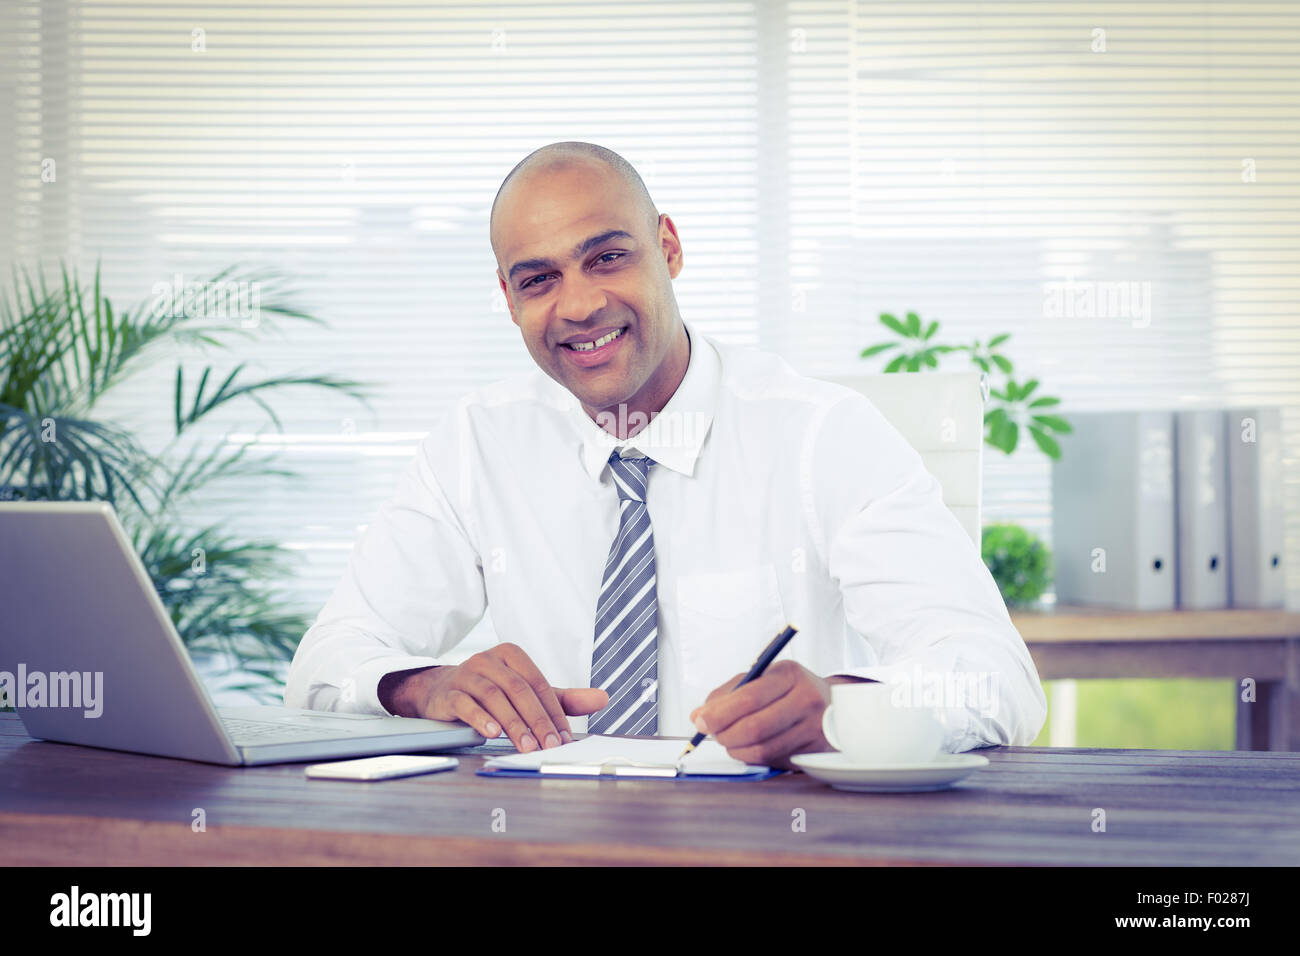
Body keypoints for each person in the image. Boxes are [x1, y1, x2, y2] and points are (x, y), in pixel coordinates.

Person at [284, 141, 1047, 770]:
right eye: (538, 279)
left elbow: (996, 679)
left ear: (669, 249)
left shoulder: (826, 435)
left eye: (607, 257)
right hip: (547, 842)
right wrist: (422, 686)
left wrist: (847, 709)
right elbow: (327, 661)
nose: (579, 305)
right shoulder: (475, 444)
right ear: (509, 298)